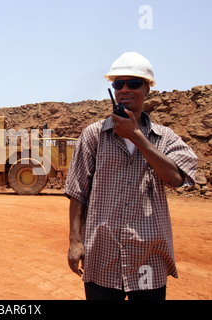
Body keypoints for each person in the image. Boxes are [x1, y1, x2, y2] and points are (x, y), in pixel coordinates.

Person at [64, 52, 198, 300]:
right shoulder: (94, 136)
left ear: (147, 89)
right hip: (102, 257)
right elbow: (77, 192)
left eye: (133, 83)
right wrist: (75, 241)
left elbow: (176, 178)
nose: (124, 89)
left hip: (148, 259)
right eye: (118, 84)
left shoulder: (164, 138)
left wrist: (136, 136)